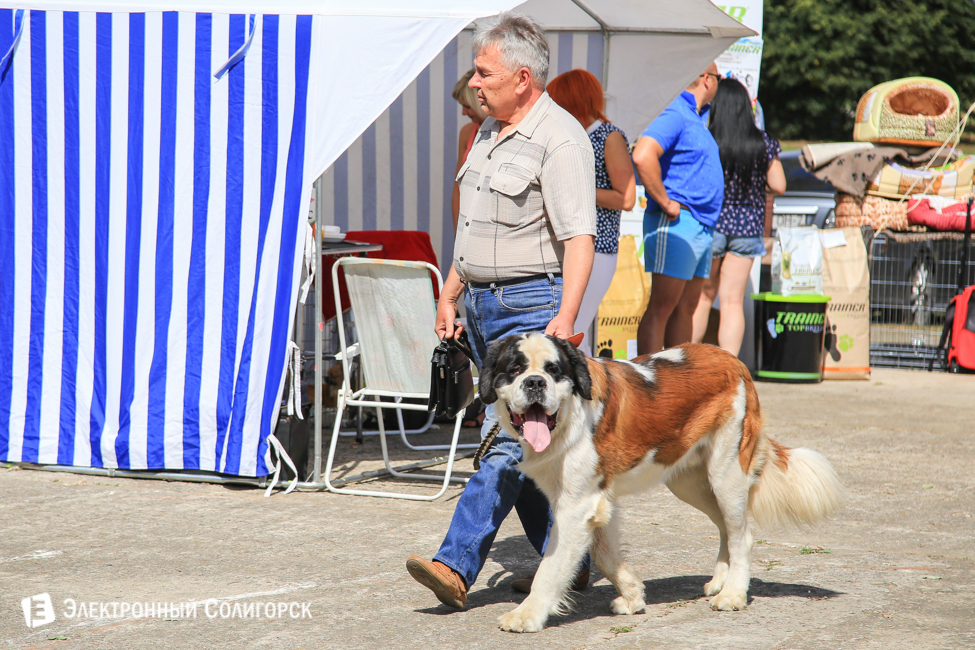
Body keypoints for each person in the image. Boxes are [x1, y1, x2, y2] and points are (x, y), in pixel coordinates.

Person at [405, 12, 596, 609]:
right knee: (531, 439)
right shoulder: (489, 131)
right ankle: (571, 557)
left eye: (484, 73)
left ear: (521, 77)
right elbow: (473, 227)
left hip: (532, 309)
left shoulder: (560, 138)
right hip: (485, 306)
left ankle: (454, 565)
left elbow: (579, 239)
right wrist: (452, 289)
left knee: (504, 442)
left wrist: (564, 320)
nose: (474, 83)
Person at [633, 63, 724, 355]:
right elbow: (643, 154)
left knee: (685, 308)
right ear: (708, 80)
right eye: (720, 79)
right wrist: (666, 201)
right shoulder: (676, 113)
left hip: (698, 223)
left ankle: (678, 383)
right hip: (678, 222)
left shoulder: (694, 117)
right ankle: (646, 387)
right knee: (662, 307)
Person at [691, 78, 786, 355]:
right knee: (732, 302)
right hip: (747, 227)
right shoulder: (763, 143)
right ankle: (730, 370)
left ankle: (686, 365)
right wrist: (757, 183)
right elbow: (779, 185)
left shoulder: (707, 137)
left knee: (703, 298)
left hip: (712, 224)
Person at [546, 69, 636, 357]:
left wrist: (574, 189)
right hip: (571, 245)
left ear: (572, 101)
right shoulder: (572, 135)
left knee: (572, 330)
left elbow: (627, 197)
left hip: (598, 247)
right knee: (570, 331)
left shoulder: (609, 137)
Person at [451, 69, 488, 232]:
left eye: (467, 107)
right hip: (468, 224)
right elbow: (458, 189)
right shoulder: (467, 133)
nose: (463, 113)